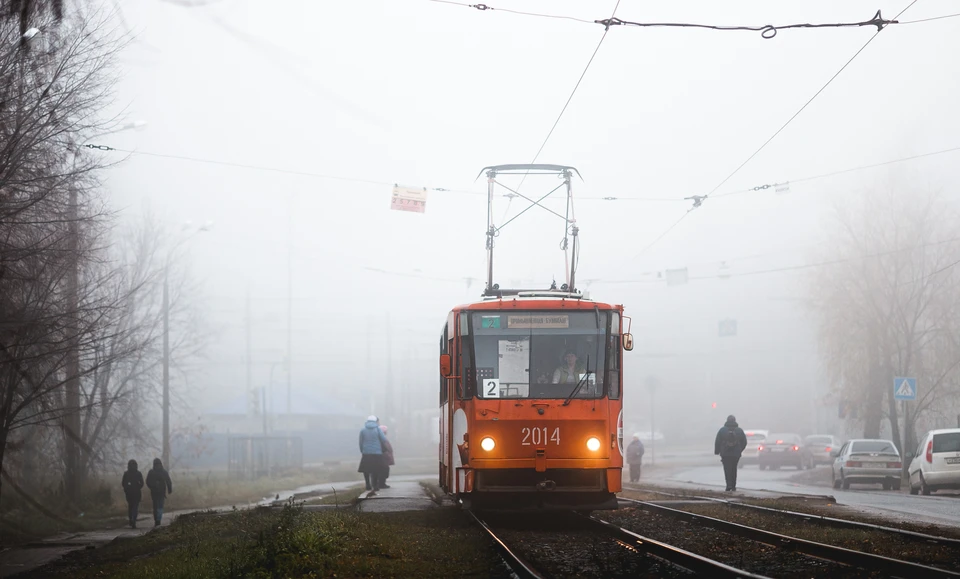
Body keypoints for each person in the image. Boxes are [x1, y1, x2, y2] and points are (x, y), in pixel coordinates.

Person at [714, 414, 748, 491]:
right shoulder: (739, 430)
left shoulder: (722, 430)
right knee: (734, 469)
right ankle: (733, 486)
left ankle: (728, 485)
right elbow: (744, 442)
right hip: (736, 454)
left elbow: (717, 441)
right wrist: (739, 450)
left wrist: (717, 451)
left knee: (727, 469)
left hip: (725, 454)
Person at [358, 415, 388, 492]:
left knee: (366, 469)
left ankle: (368, 484)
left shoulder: (363, 430)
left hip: (366, 452)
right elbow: (384, 439)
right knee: (376, 469)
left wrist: (362, 450)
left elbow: (361, 442)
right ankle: (375, 485)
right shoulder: (378, 429)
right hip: (377, 452)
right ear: (375, 421)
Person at [145, 458, 173, 527]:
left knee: (156, 506)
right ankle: (158, 520)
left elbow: (147, 482)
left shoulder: (151, 472)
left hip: (155, 492)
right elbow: (168, 481)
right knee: (160, 506)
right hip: (160, 492)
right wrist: (169, 489)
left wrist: (152, 487)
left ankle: (157, 520)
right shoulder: (163, 472)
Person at [121, 459, 144, 529]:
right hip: (136, 493)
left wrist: (126, 488)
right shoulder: (138, 473)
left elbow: (123, 483)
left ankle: (131, 519)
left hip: (129, 493)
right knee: (135, 507)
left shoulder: (126, 473)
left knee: (130, 507)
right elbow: (142, 483)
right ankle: (133, 519)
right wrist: (138, 486)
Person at [379, 424, 395, 489]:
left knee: (384, 470)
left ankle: (381, 483)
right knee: (384, 470)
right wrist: (388, 454)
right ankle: (381, 484)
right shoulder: (382, 439)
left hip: (384, 456)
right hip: (384, 456)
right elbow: (385, 448)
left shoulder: (382, 438)